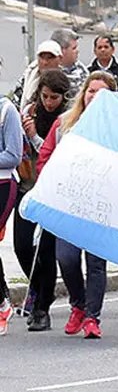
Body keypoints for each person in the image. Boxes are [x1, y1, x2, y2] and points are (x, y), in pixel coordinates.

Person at [38, 71, 118, 339]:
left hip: (99, 205)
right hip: (69, 204)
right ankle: (78, 304)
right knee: (67, 258)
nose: (95, 96)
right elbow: (45, 158)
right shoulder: (64, 124)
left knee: (96, 264)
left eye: (102, 92)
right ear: (83, 93)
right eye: (91, 90)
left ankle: (92, 317)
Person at [14, 70, 71, 332]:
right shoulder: (30, 112)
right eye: (45, 96)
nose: (49, 102)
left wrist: (35, 135)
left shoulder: (67, 120)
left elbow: (59, 155)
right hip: (27, 187)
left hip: (53, 192)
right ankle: (37, 287)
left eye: (54, 97)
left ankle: (42, 309)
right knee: (22, 247)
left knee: (45, 252)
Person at [0, 90, 23, 336]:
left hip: (3, 184)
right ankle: (3, 297)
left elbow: (13, 155)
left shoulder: (7, 111)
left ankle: (3, 305)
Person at [11, 41, 64, 110]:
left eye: (50, 58)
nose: (45, 62)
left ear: (60, 59)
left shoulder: (66, 81)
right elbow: (15, 103)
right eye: (42, 58)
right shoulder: (27, 78)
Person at [50, 28, 89, 99]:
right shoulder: (43, 69)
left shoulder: (81, 69)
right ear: (61, 50)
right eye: (74, 48)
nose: (77, 51)